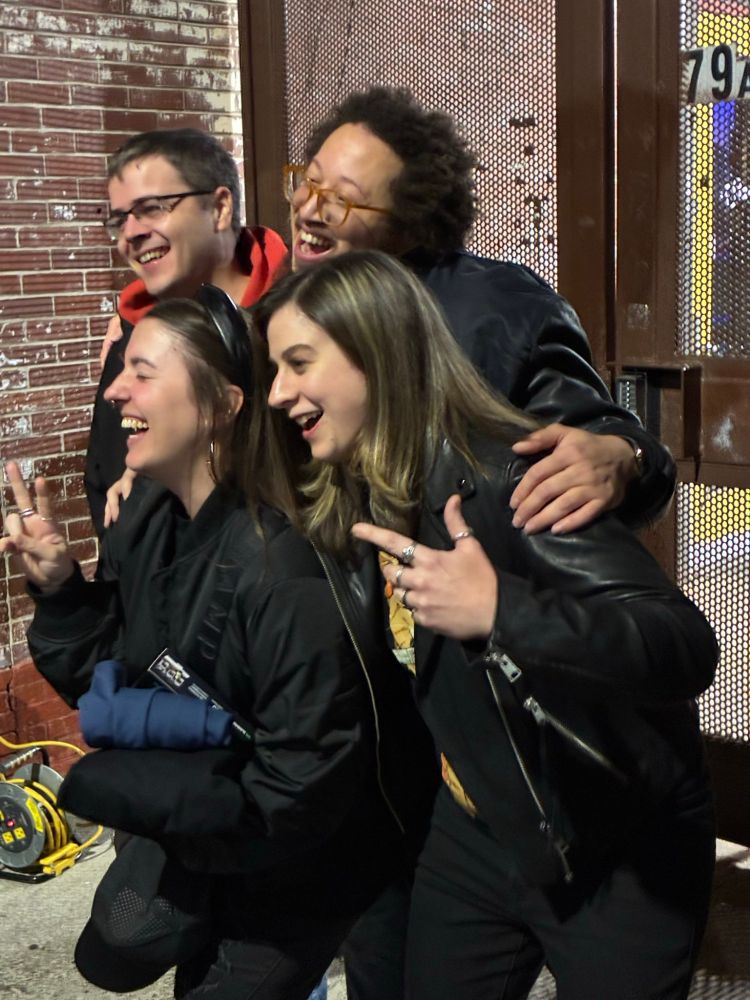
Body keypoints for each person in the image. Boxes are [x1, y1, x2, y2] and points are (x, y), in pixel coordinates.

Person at [251, 250, 718, 1000]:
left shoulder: (504, 475)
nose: (278, 393)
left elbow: (683, 644)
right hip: (476, 827)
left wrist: (504, 611)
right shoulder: (358, 493)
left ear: (377, 352)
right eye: (273, 371)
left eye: (299, 363)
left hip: (619, 842)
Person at [1, 287, 435, 999]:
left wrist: (177, 812)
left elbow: (303, 784)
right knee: (115, 950)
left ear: (222, 406)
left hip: (299, 862)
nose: (115, 391)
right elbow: (110, 680)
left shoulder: (286, 572)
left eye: (143, 371)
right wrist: (61, 590)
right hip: (208, 827)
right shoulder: (145, 516)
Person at [286, 85, 676, 535]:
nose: (308, 208)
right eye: (310, 181)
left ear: (410, 222)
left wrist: (629, 457)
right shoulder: (287, 312)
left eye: (342, 199)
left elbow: (607, 443)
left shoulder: (500, 310)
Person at [85, 127, 287, 535]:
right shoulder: (128, 343)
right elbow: (105, 486)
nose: (131, 233)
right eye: (120, 218)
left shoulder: (300, 324)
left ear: (220, 207)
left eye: (153, 208)